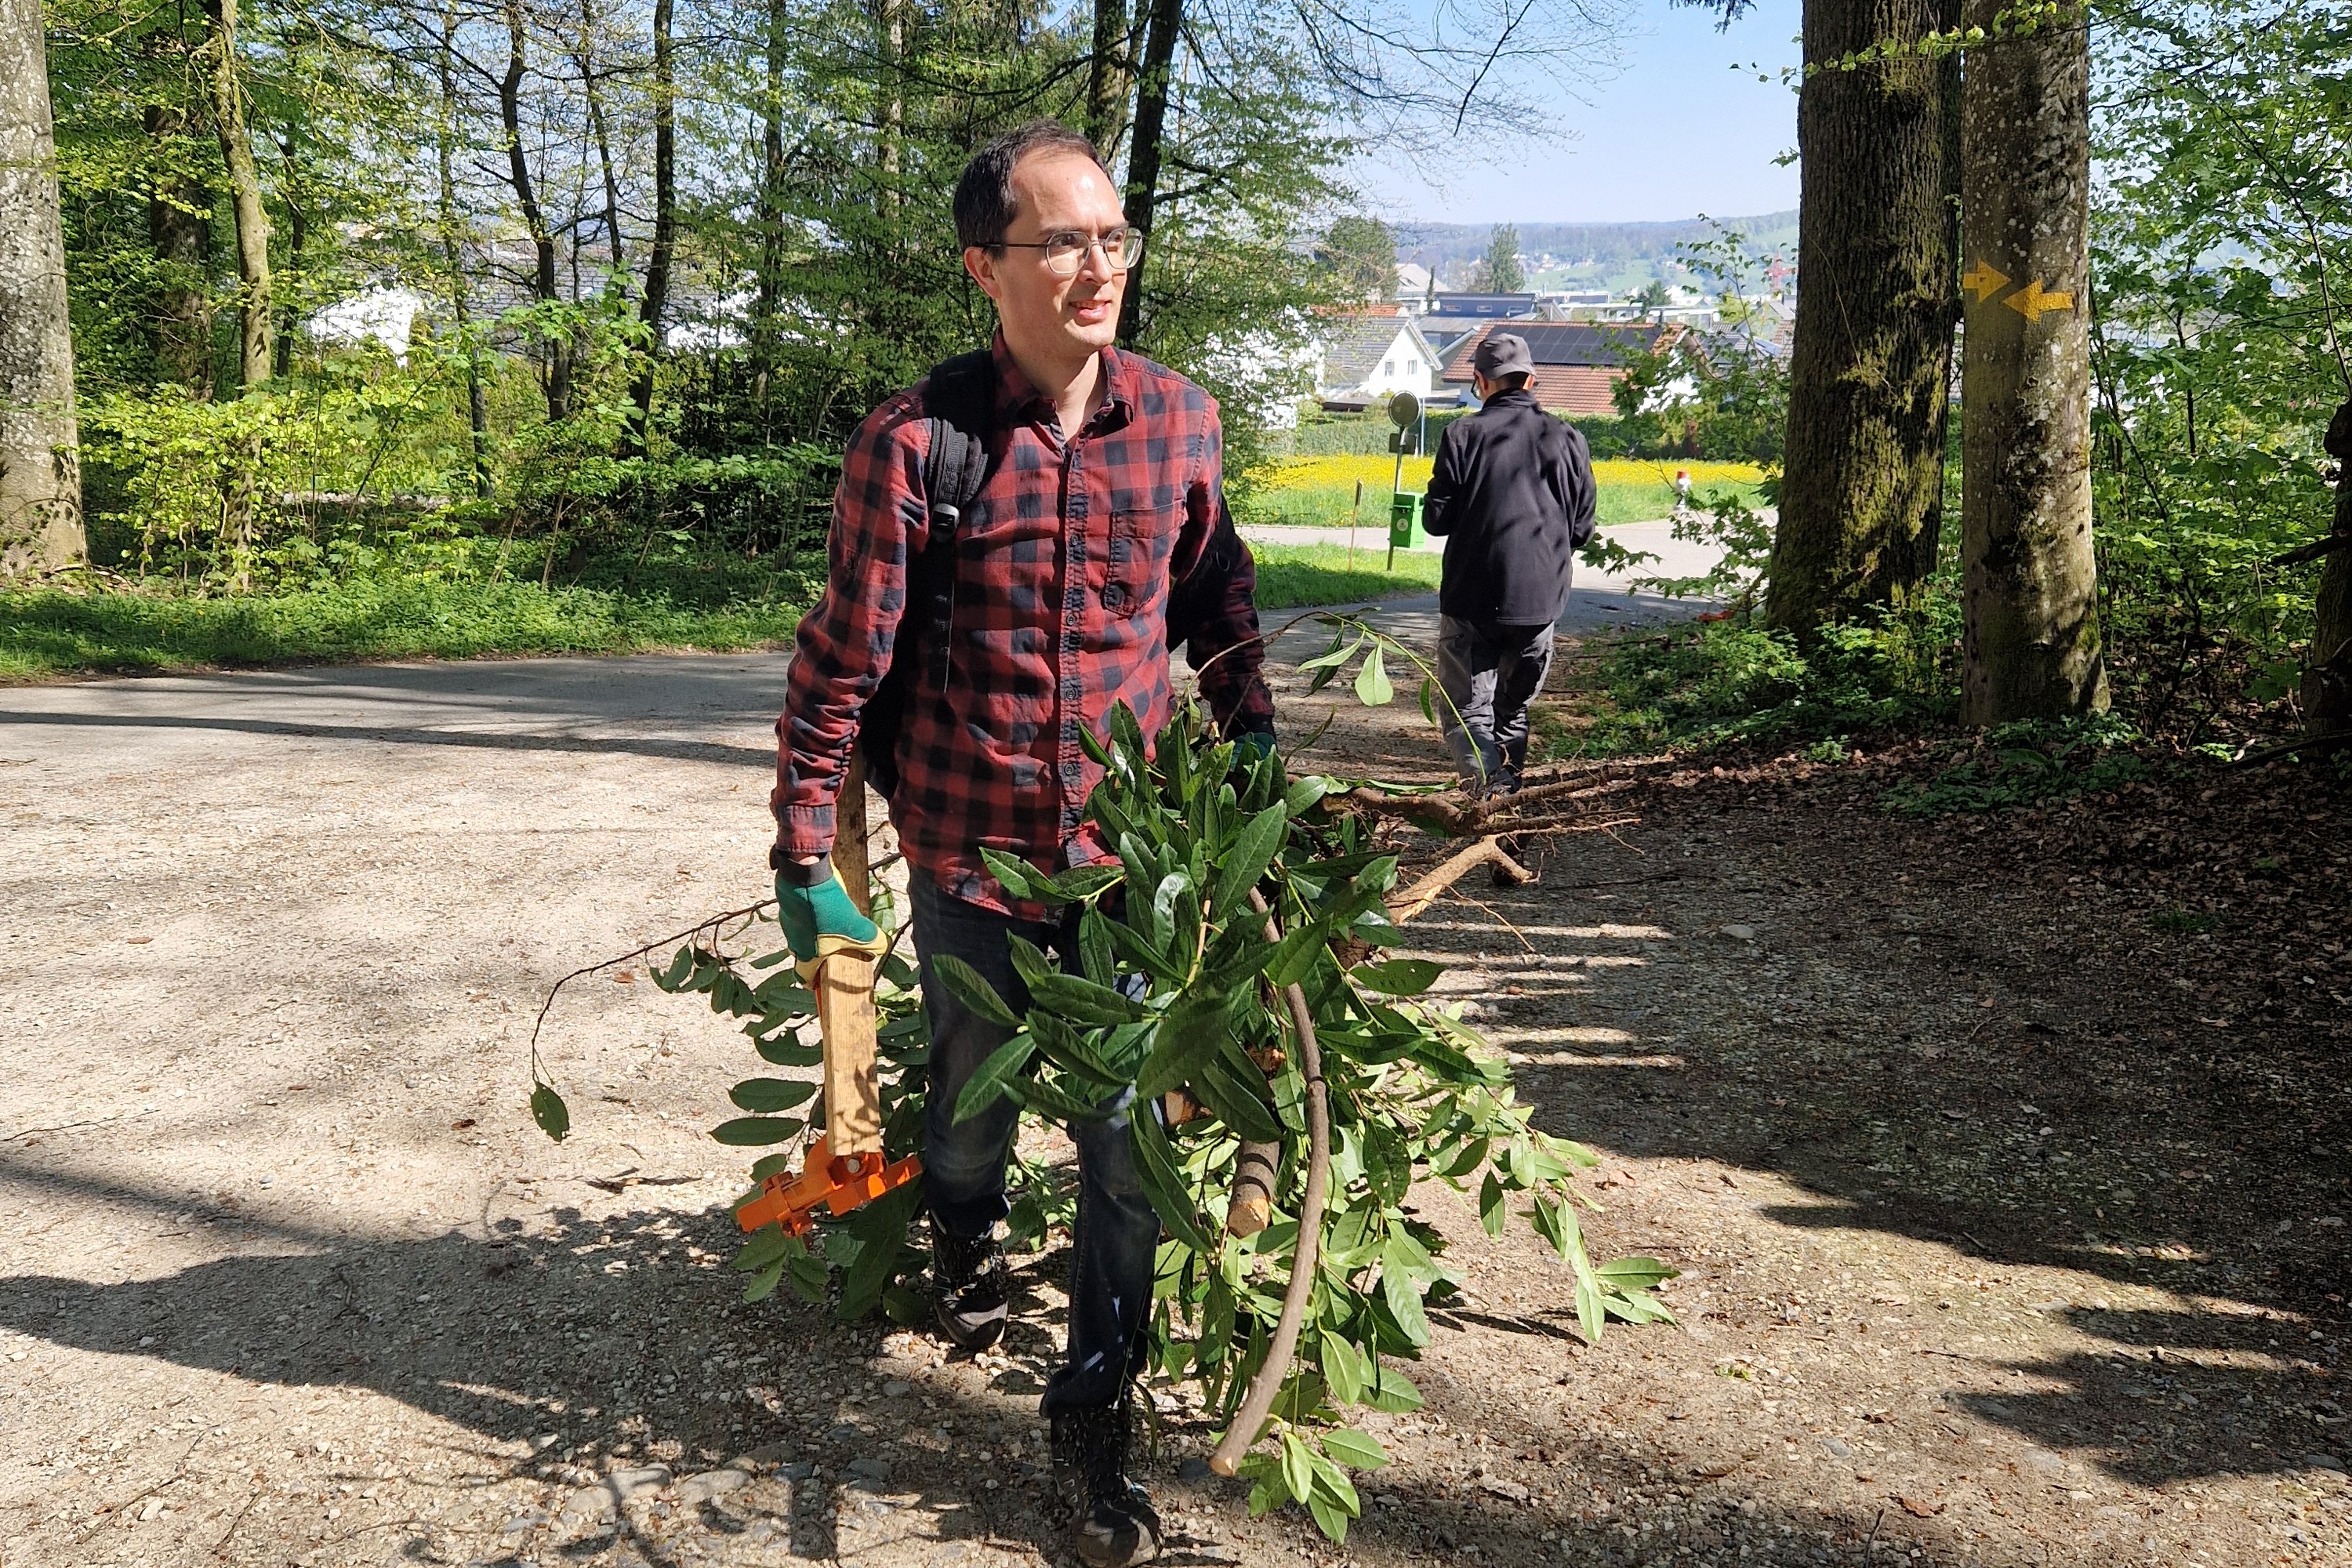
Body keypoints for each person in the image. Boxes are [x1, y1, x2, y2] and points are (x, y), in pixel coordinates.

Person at [766, 118, 1275, 1568]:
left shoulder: (1180, 418)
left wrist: (1254, 759)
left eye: (1112, 236)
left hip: (1130, 863)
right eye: (1062, 240)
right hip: (971, 855)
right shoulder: (918, 441)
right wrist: (811, 856)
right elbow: (838, 672)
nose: (1097, 265)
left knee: (1126, 1145)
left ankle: (1090, 1423)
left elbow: (1219, 609)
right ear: (987, 266)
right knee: (969, 1111)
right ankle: (965, 1233)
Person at [1421, 331, 1598, 796]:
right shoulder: (1569, 439)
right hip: (1540, 604)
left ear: (1480, 381)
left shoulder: (1461, 434)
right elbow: (1582, 529)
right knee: (1512, 712)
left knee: (1467, 713)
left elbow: (1436, 522)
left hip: (1470, 602)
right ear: (1532, 381)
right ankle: (1509, 808)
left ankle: (1491, 799)